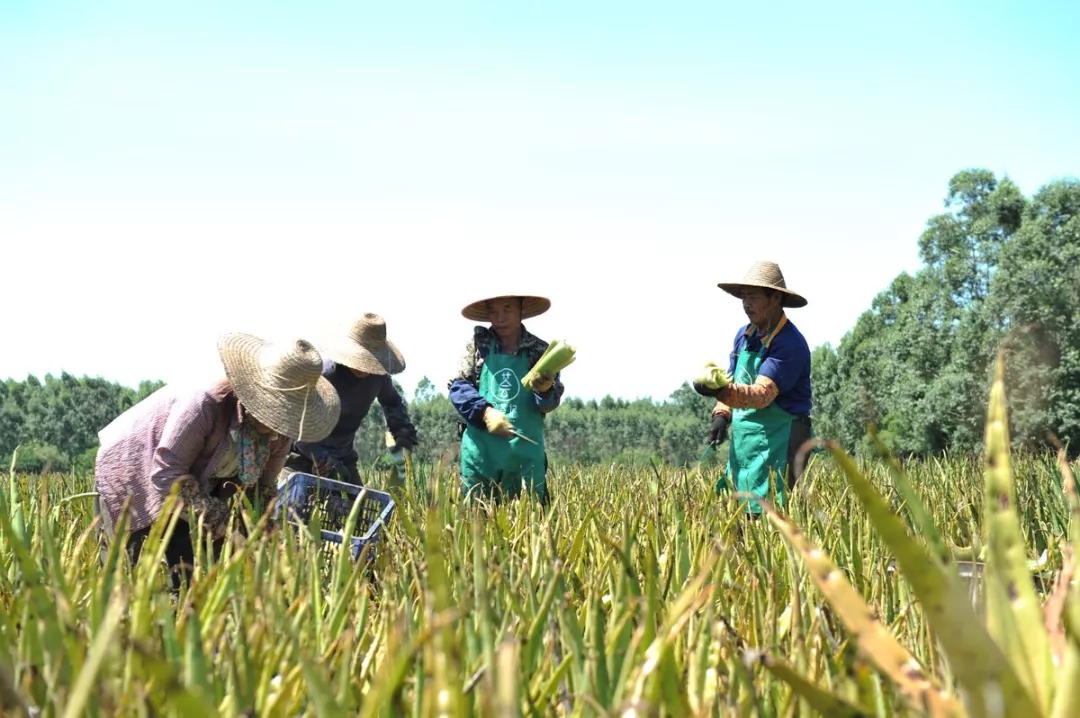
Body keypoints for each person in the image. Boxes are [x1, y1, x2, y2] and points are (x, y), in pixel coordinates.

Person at [94, 334, 341, 588]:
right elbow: (167, 474)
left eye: (286, 417)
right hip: (137, 470)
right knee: (129, 574)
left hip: (196, 485)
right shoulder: (205, 404)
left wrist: (269, 537)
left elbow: (262, 491)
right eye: (274, 414)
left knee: (198, 577)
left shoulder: (280, 433)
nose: (276, 430)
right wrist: (223, 522)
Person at [693, 260, 813, 515]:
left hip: (781, 437)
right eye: (743, 297)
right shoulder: (744, 336)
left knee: (775, 512)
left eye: (753, 297)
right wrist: (721, 414)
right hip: (746, 440)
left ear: (775, 298)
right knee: (737, 511)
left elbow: (761, 396)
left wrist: (718, 391)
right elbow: (731, 379)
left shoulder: (789, 343)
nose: (746, 304)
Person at [448, 293, 564, 505]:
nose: (500, 318)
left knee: (530, 516)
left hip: (525, 453)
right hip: (481, 453)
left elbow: (549, 404)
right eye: (493, 311)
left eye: (507, 309)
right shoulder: (478, 346)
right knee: (476, 518)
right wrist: (485, 412)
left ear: (521, 309)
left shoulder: (539, 351)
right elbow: (458, 387)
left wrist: (545, 389)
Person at [284, 313, 418, 485]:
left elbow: (392, 402)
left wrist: (402, 432)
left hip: (344, 456)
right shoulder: (324, 375)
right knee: (289, 499)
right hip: (303, 454)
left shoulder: (379, 378)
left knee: (359, 501)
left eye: (370, 361)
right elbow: (296, 425)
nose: (365, 368)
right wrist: (322, 458)